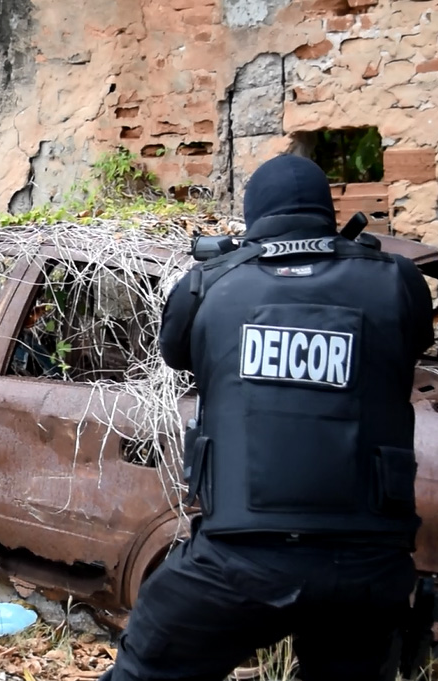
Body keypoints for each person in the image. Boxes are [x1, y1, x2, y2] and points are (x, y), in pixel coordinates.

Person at [103, 154, 434, 681]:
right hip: (367, 569)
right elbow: (414, 343)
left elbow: (177, 352)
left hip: (237, 561)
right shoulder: (398, 281)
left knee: (146, 668)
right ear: (328, 212)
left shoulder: (207, 283)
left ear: (253, 215)